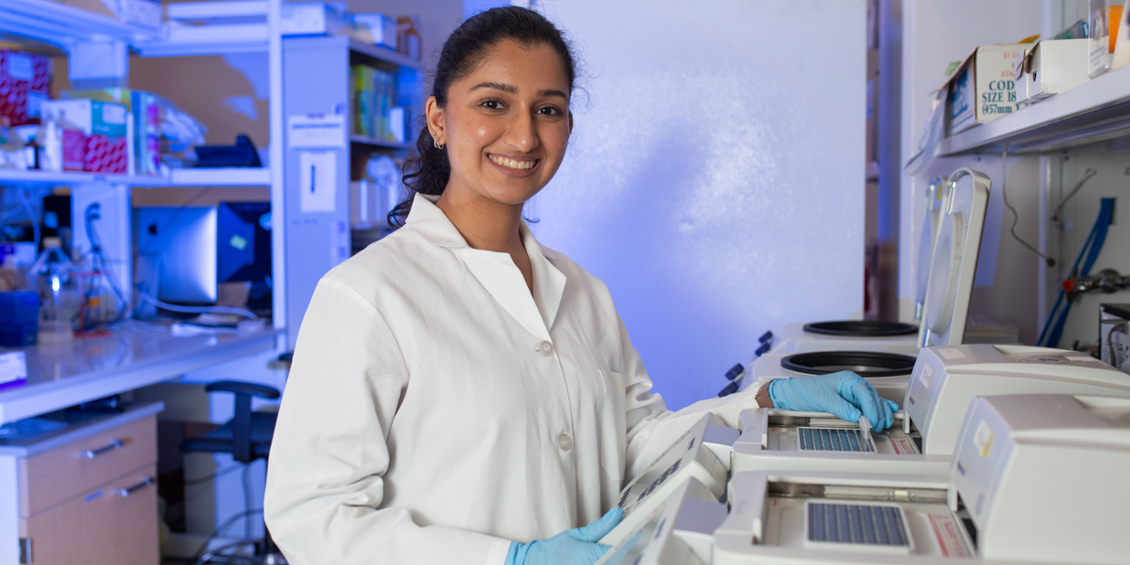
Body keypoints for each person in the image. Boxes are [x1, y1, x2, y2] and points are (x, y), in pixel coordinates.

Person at [263, 7, 898, 565]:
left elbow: (635, 444)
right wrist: (505, 560)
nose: (523, 135)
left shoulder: (583, 292)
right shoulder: (367, 295)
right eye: (493, 103)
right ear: (437, 118)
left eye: (549, 109)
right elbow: (311, 516)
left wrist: (763, 402)